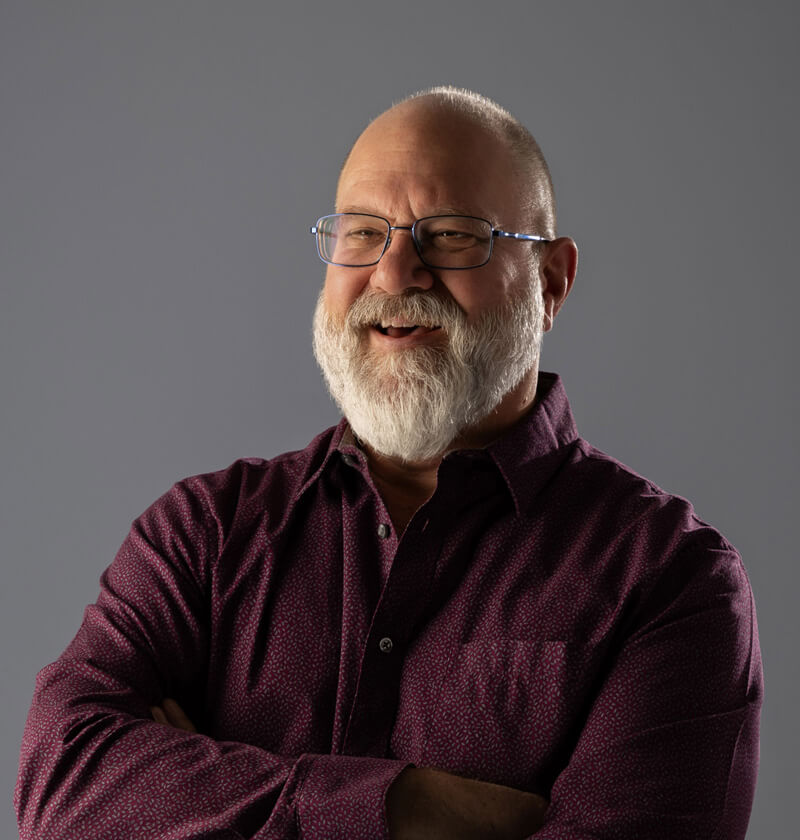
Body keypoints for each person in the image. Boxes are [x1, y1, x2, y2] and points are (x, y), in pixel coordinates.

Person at [16, 87, 762, 839]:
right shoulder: (203, 535)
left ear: (552, 282)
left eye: (452, 235)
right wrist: (407, 810)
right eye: (363, 233)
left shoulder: (672, 581)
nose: (395, 272)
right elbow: (61, 783)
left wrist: (202, 796)